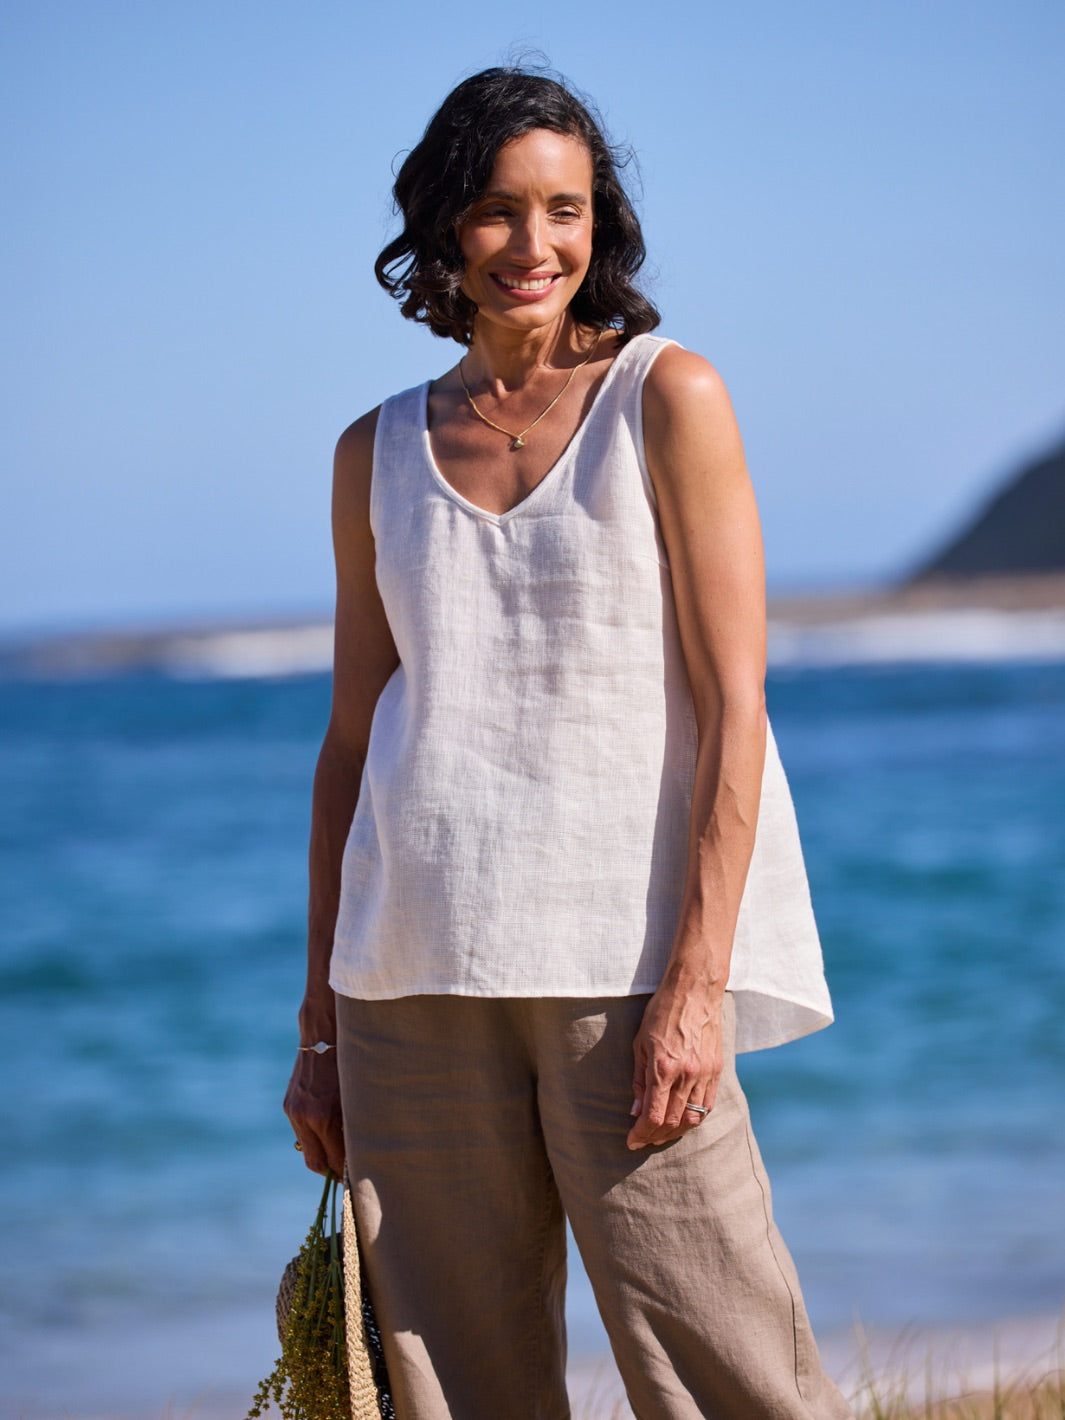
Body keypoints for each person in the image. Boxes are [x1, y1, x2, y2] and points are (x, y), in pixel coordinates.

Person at [285, 65, 854, 1420]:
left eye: (565, 209)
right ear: (441, 227)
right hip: (409, 977)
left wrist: (697, 986)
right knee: (451, 1387)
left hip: (625, 959)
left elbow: (732, 709)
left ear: (600, 224)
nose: (533, 244)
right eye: (495, 210)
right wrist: (318, 1021)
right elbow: (354, 738)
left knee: (728, 1367)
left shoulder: (668, 395)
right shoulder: (373, 449)